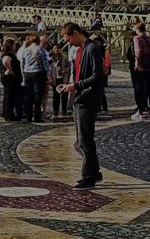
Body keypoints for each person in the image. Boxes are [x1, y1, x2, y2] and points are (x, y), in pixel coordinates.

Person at [57, 23, 106, 189]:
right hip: (80, 96)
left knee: (85, 140)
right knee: (81, 140)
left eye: (69, 38)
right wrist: (72, 85)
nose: (69, 43)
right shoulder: (80, 50)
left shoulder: (92, 49)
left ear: (76, 33)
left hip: (88, 99)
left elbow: (98, 76)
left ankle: (89, 176)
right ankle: (94, 171)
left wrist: (77, 85)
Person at [128, 23, 150, 120]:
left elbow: (138, 52)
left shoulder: (137, 39)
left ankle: (142, 110)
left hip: (141, 68)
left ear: (138, 29)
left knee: (140, 88)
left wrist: (138, 65)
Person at [17, 35, 47, 123]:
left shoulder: (25, 50)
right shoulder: (40, 50)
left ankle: (29, 116)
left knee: (29, 95)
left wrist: (23, 75)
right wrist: (48, 74)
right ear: (38, 41)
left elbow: (22, 63)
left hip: (27, 73)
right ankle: (37, 116)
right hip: (38, 72)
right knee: (38, 95)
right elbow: (45, 63)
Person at [0, 38, 24, 121]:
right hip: (10, 78)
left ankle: (6, 113)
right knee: (10, 96)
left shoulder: (6, 53)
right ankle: (9, 114)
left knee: (8, 95)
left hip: (8, 77)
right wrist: (10, 70)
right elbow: (6, 61)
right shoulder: (9, 54)